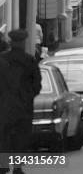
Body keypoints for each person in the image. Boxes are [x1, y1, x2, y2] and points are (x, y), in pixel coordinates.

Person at [0, 30, 42, 174]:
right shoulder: (29, 61)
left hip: (3, 107)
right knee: (21, 136)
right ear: (23, 43)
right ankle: (17, 167)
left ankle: (3, 165)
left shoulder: (2, 60)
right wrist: (28, 97)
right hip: (23, 107)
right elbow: (37, 85)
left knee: (3, 136)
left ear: (11, 42)